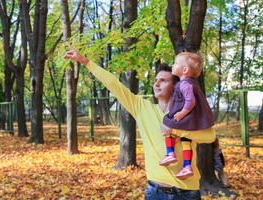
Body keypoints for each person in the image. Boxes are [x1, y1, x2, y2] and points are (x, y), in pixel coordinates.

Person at [64, 47, 216, 200]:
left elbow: (210, 136)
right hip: (156, 191)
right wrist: (86, 62)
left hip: (188, 192)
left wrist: (175, 131)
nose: (156, 84)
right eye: (156, 80)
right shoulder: (142, 108)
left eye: (163, 80)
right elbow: (114, 84)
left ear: (176, 87)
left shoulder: (188, 113)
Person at [159, 52, 214, 180]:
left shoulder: (185, 84)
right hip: (190, 120)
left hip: (185, 116)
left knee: (167, 124)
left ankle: (170, 153)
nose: (173, 65)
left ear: (184, 70)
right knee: (186, 141)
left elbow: (190, 102)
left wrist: (181, 113)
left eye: (176, 63)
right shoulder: (190, 83)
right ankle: (187, 167)